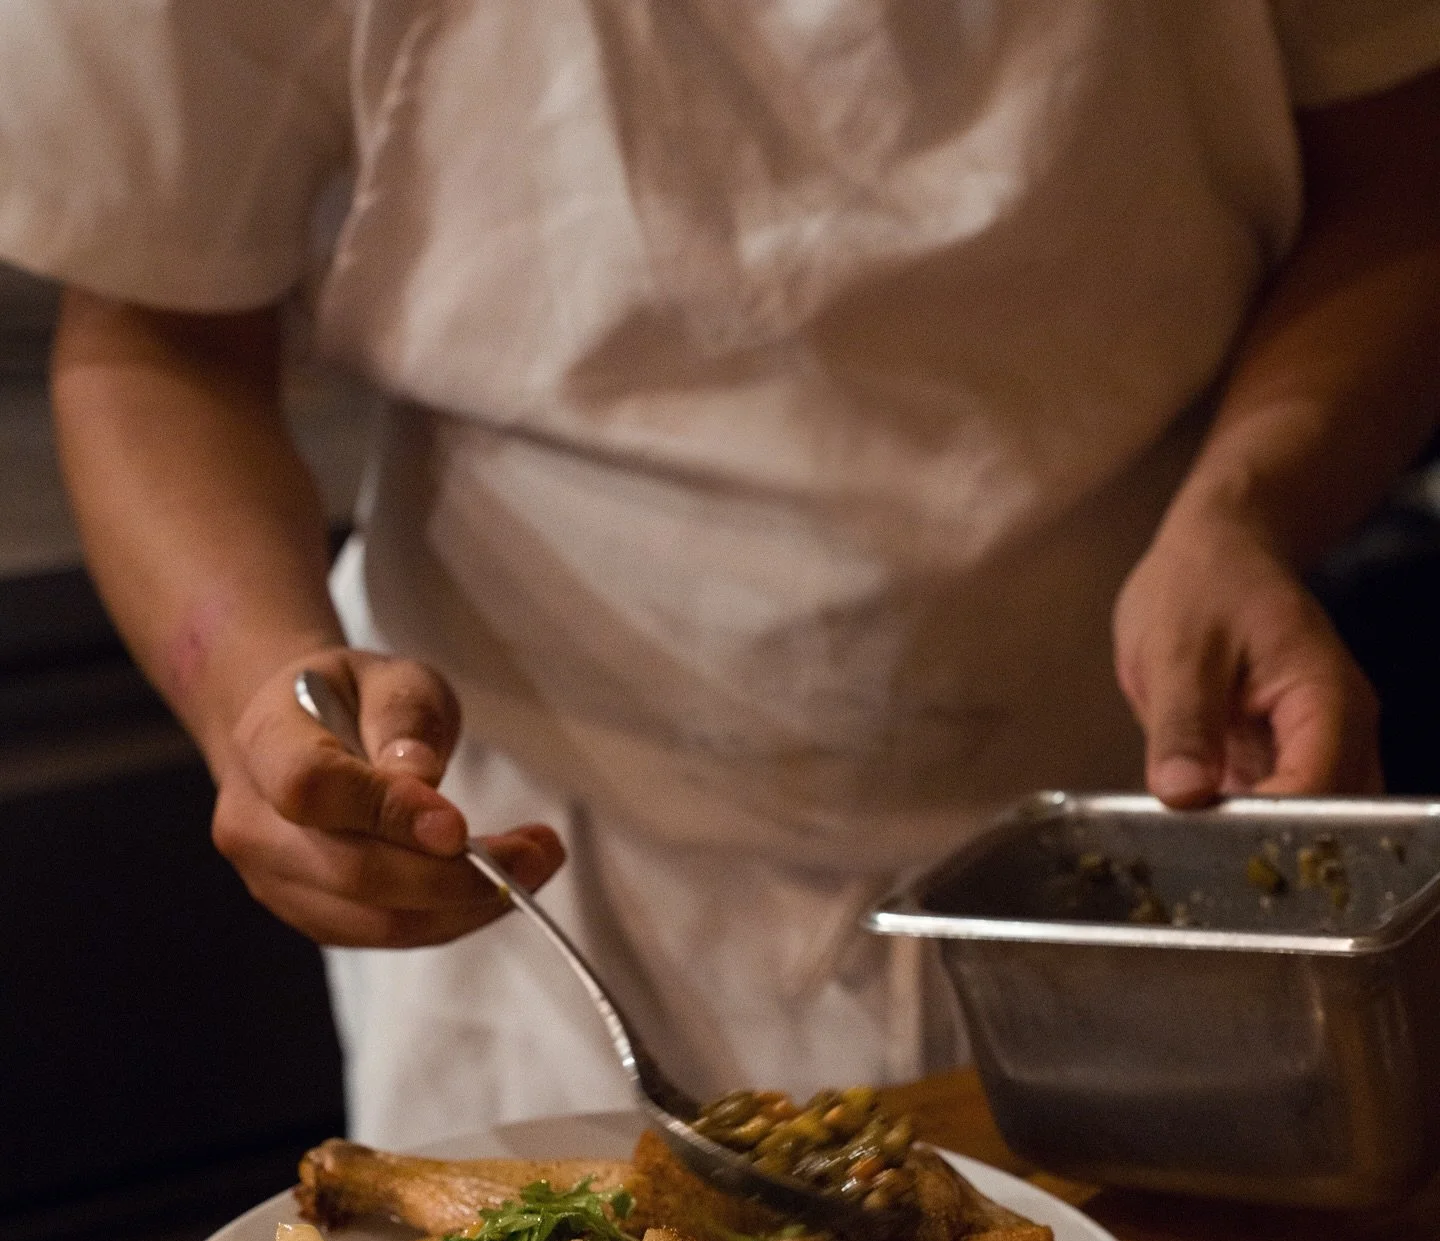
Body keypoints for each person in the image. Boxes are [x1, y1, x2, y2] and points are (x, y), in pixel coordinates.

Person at [3, 4, 1438, 1147]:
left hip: (1126, 831)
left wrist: (1243, 510)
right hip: (540, 876)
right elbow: (155, 340)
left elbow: (1402, 193)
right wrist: (262, 695)